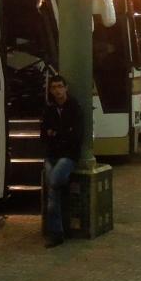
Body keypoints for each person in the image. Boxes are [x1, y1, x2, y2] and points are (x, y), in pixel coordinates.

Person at [40, 74, 81, 248]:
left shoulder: (74, 108)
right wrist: (61, 133)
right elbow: (43, 135)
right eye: (54, 87)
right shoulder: (49, 109)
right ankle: (56, 233)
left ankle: (56, 233)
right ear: (50, 90)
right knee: (53, 190)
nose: (57, 90)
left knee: (54, 182)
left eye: (59, 86)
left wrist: (55, 133)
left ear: (66, 88)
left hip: (68, 156)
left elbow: (75, 136)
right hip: (52, 155)